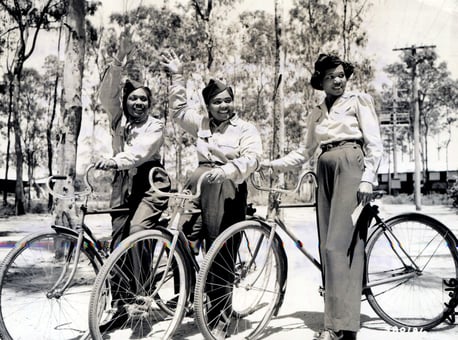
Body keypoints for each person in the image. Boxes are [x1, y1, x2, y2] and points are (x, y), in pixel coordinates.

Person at [263, 54, 383, 340]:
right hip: (324, 168)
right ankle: (338, 321)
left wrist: (368, 177)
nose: (338, 80)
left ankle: (340, 327)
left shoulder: (358, 101)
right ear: (321, 81)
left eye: (341, 75)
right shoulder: (316, 111)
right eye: (331, 77)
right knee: (326, 248)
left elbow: (374, 143)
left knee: (336, 247)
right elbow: (303, 153)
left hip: (350, 164)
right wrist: (271, 163)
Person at [160, 50, 263, 332]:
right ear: (208, 105)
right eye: (217, 102)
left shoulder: (245, 128)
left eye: (228, 100)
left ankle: (220, 316)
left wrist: (227, 170)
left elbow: (253, 158)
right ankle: (189, 299)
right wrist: (177, 76)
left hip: (227, 186)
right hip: (197, 185)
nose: (224, 106)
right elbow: (179, 112)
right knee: (180, 238)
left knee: (220, 251)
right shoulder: (202, 124)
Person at [95, 29, 171, 332]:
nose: (138, 103)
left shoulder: (156, 125)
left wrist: (114, 160)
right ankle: (121, 305)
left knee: (139, 231)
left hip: (149, 181)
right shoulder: (118, 119)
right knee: (116, 243)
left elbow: (140, 154)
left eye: (143, 99)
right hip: (121, 183)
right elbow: (106, 94)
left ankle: (143, 293)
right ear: (125, 101)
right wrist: (118, 63)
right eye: (133, 98)